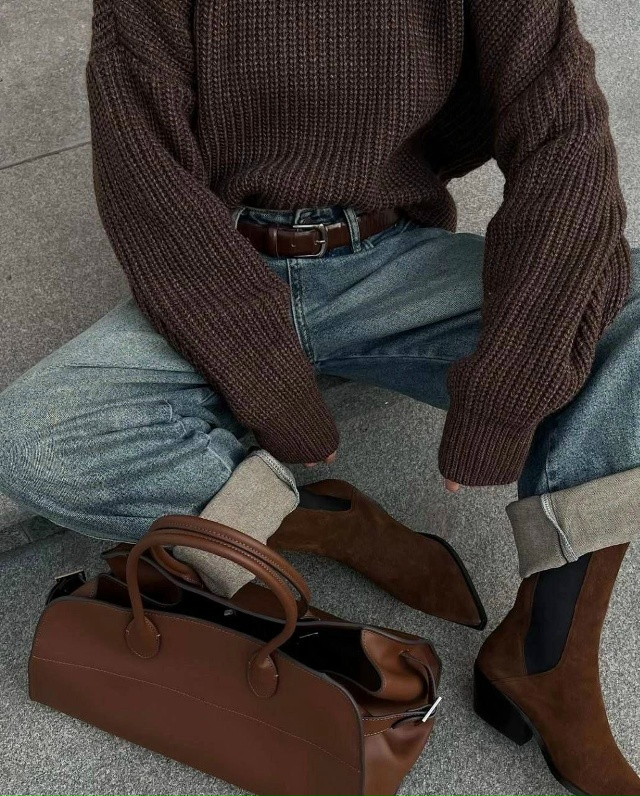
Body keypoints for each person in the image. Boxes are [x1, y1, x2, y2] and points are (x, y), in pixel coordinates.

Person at [0, 0, 638, 793]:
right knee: (33, 440)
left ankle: (548, 656)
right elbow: (144, 181)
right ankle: (330, 524)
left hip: (389, 256)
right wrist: (269, 383)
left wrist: (506, 393)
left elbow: (565, 149)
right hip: (219, 260)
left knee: (626, 312)